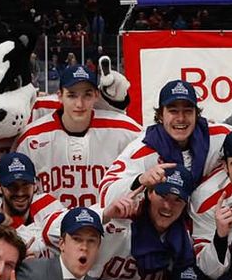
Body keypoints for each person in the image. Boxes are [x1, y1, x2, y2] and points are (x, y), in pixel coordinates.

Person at [16, 62, 141, 213]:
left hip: (110, 230)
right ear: (60, 96)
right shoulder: (32, 138)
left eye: (87, 95)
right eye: (72, 95)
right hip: (51, 232)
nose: (79, 104)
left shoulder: (125, 131)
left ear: (96, 95)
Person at [100, 79, 232, 209]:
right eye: (173, 111)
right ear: (160, 115)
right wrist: (140, 179)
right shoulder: (144, 148)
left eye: (188, 111)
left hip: (206, 221)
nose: (181, 118)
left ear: (197, 114)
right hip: (161, 220)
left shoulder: (217, 135)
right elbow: (106, 193)